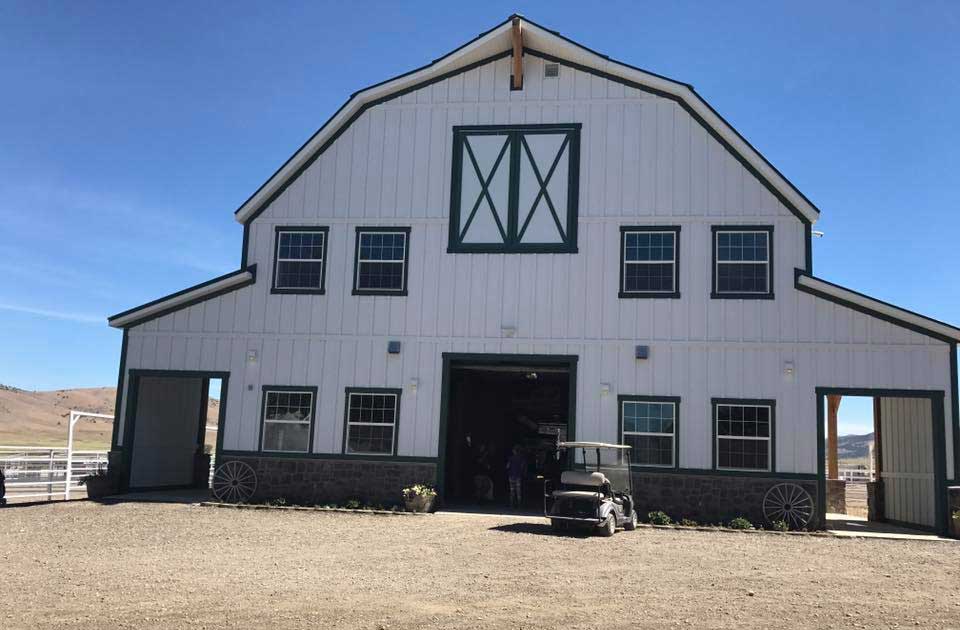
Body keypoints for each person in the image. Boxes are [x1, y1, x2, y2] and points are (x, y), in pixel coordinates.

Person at [506, 445, 527, 509]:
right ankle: (519, 505)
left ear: (514, 451)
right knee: (518, 491)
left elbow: (507, 466)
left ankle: (511, 505)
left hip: (511, 476)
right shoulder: (522, 458)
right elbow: (523, 467)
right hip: (518, 476)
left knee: (512, 491)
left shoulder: (510, 458)